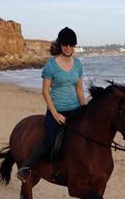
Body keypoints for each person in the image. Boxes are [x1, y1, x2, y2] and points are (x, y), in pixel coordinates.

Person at [16, 27, 86, 182]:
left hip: (75, 109)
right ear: (60, 45)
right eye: (65, 44)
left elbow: (80, 89)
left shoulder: (78, 65)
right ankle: (26, 167)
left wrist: (85, 108)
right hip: (56, 110)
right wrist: (55, 114)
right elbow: (46, 91)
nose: (68, 48)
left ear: (74, 45)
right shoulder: (51, 65)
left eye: (71, 45)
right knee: (48, 141)